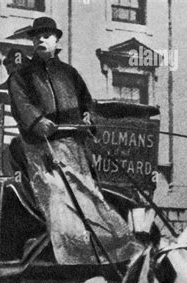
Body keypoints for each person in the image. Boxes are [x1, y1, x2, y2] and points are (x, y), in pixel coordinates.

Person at [8, 16, 136, 265]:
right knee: (58, 199)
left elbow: (86, 101)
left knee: (92, 199)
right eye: (36, 37)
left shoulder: (70, 74)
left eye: (46, 35)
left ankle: (111, 253)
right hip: (41, 152)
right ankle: (71, 254)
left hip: (74, 150)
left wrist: (87, 117)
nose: (40, 40)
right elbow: (21, 105)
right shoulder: (21, 76)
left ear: (57, 41)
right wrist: (37, 122)